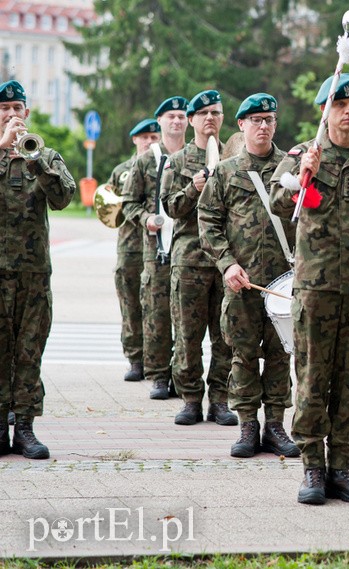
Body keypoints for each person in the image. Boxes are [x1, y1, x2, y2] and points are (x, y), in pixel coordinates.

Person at [269, 73, 349, 505]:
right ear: (326, 111)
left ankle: (341, 467)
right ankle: (312, 467)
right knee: (311, 378)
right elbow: (276, 202)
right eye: (340, 105)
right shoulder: (303, 155)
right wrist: (300, 177)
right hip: (317, 290)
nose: (348, 111)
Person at [198, 93, 299, 458]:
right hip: (242, 282)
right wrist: (227, 263)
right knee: (242, 354)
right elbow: (208, 221)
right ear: (241, 125)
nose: (263, 126)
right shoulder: (226, 172)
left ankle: (275, 426)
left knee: (280, 355)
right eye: (256, 120)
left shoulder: (290, 169)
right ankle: (247, 427)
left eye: (269, 119)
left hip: (283, 281)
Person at [0, 80, 75, 459]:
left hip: (34, 273)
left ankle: (26, 428)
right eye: (4, 108)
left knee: (30, 350)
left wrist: (37, 162)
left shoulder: (45, 155)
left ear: (27, 113)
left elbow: (64, 197)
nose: (12, 114)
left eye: (17, 108)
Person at [160, 90, 235, 427]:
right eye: (203, 113)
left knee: (225, 336)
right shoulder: (177, 161)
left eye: (215, 113)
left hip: (225, 261)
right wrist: (193, 188)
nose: (210, 119)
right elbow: (170, 207)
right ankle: (191, 398)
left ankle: (220, 399)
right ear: (191, 120)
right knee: (188, 337)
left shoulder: (235, 158)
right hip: (189, 260)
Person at [122, 96, 188, 399]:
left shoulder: (195, 156)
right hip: (157, 251)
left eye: (181, 116)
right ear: (160, 121)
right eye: (170, 116)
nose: (176, 121)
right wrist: (146, 218)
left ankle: (183, 377)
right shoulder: (147, 160)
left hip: (189, 250)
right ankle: (159, 375)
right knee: (157, 316)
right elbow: (129, 203)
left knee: (187, 320)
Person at [110, 118, 161, 382]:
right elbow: (111, 209)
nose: (149, 142)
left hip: (157, 247)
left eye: (154, 137)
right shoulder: (121, 171)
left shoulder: (165, 166)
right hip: (130, 247)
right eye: (145, 138)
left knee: (157, 307)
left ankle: (158, 360)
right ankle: (135, 358)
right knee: (131, 304)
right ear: (135, 140)